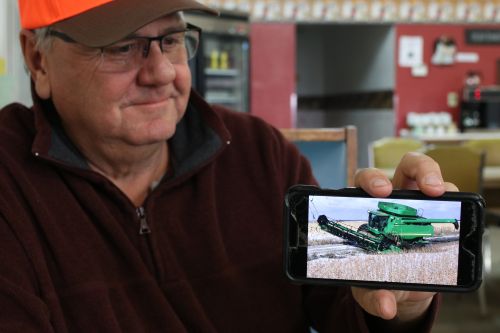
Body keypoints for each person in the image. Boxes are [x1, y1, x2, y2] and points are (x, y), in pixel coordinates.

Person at [0, 0, 456, 331]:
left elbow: (343, 311)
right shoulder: (10, 187)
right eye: (122, 47)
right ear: (38, 58)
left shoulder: (259, 153)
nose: (162, 73)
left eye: (172, 40)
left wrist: (399, 295)